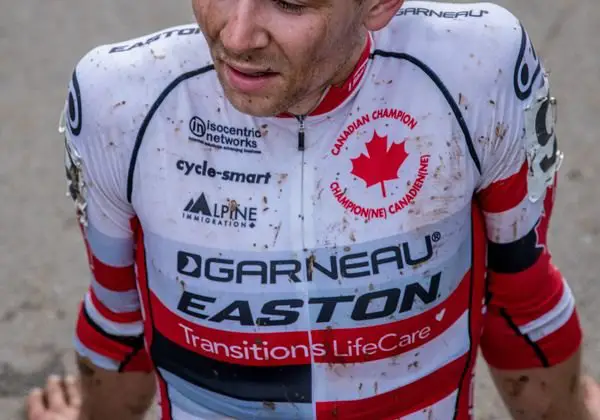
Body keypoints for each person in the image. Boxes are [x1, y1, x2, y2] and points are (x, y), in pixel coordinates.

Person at [24, 0, 600, 419]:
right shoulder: (119, 98)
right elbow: (119, 315)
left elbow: (521, 298)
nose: (237, 33)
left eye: (291, 2)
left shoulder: (478, 66)